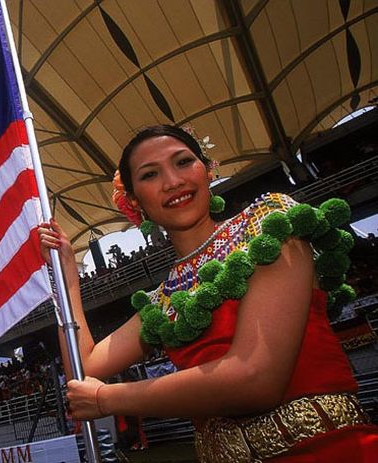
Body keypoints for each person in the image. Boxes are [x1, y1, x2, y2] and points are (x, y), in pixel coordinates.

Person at [38, 125, 378, 462]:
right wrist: (67, 277)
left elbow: (256, 378)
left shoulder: (266, 223)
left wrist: (108, 399)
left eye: (184, 162)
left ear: (207, 170)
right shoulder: (166, 297)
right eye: (150, 174)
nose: (173, 181)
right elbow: (83, 371)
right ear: (133, 201)